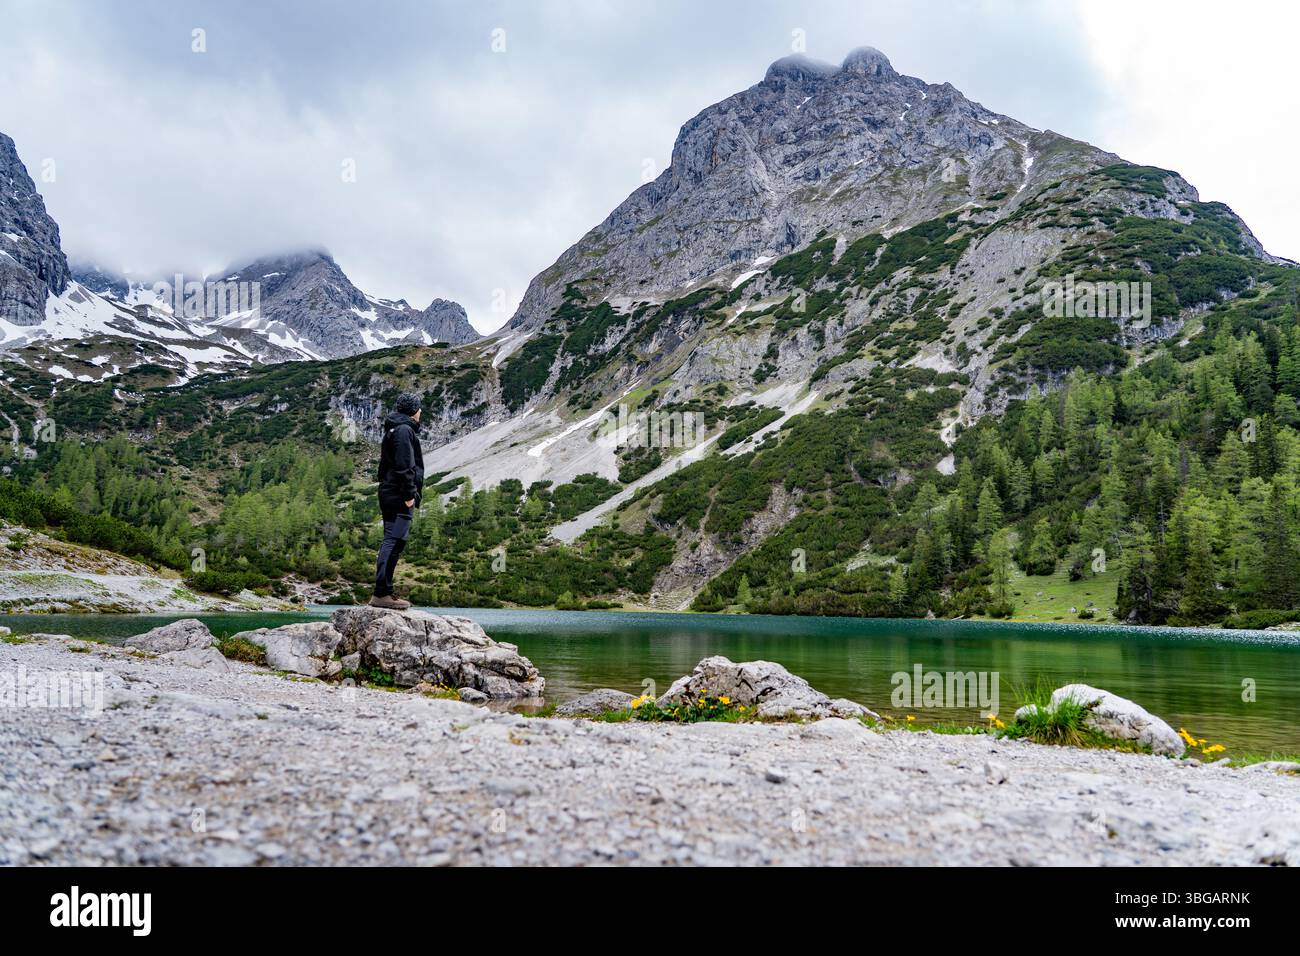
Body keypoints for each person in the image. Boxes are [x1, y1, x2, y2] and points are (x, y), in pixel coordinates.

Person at [371, 391, 425, 609]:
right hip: (398, 494)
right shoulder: (403, 431)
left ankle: (384, 591)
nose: (421, 413)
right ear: (413, 411)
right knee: (394, 539)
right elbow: (405, 466)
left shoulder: (394, 429)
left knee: (393, 539)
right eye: (419, 409)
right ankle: (381, 592)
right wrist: (409, 495)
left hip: (389, 492)